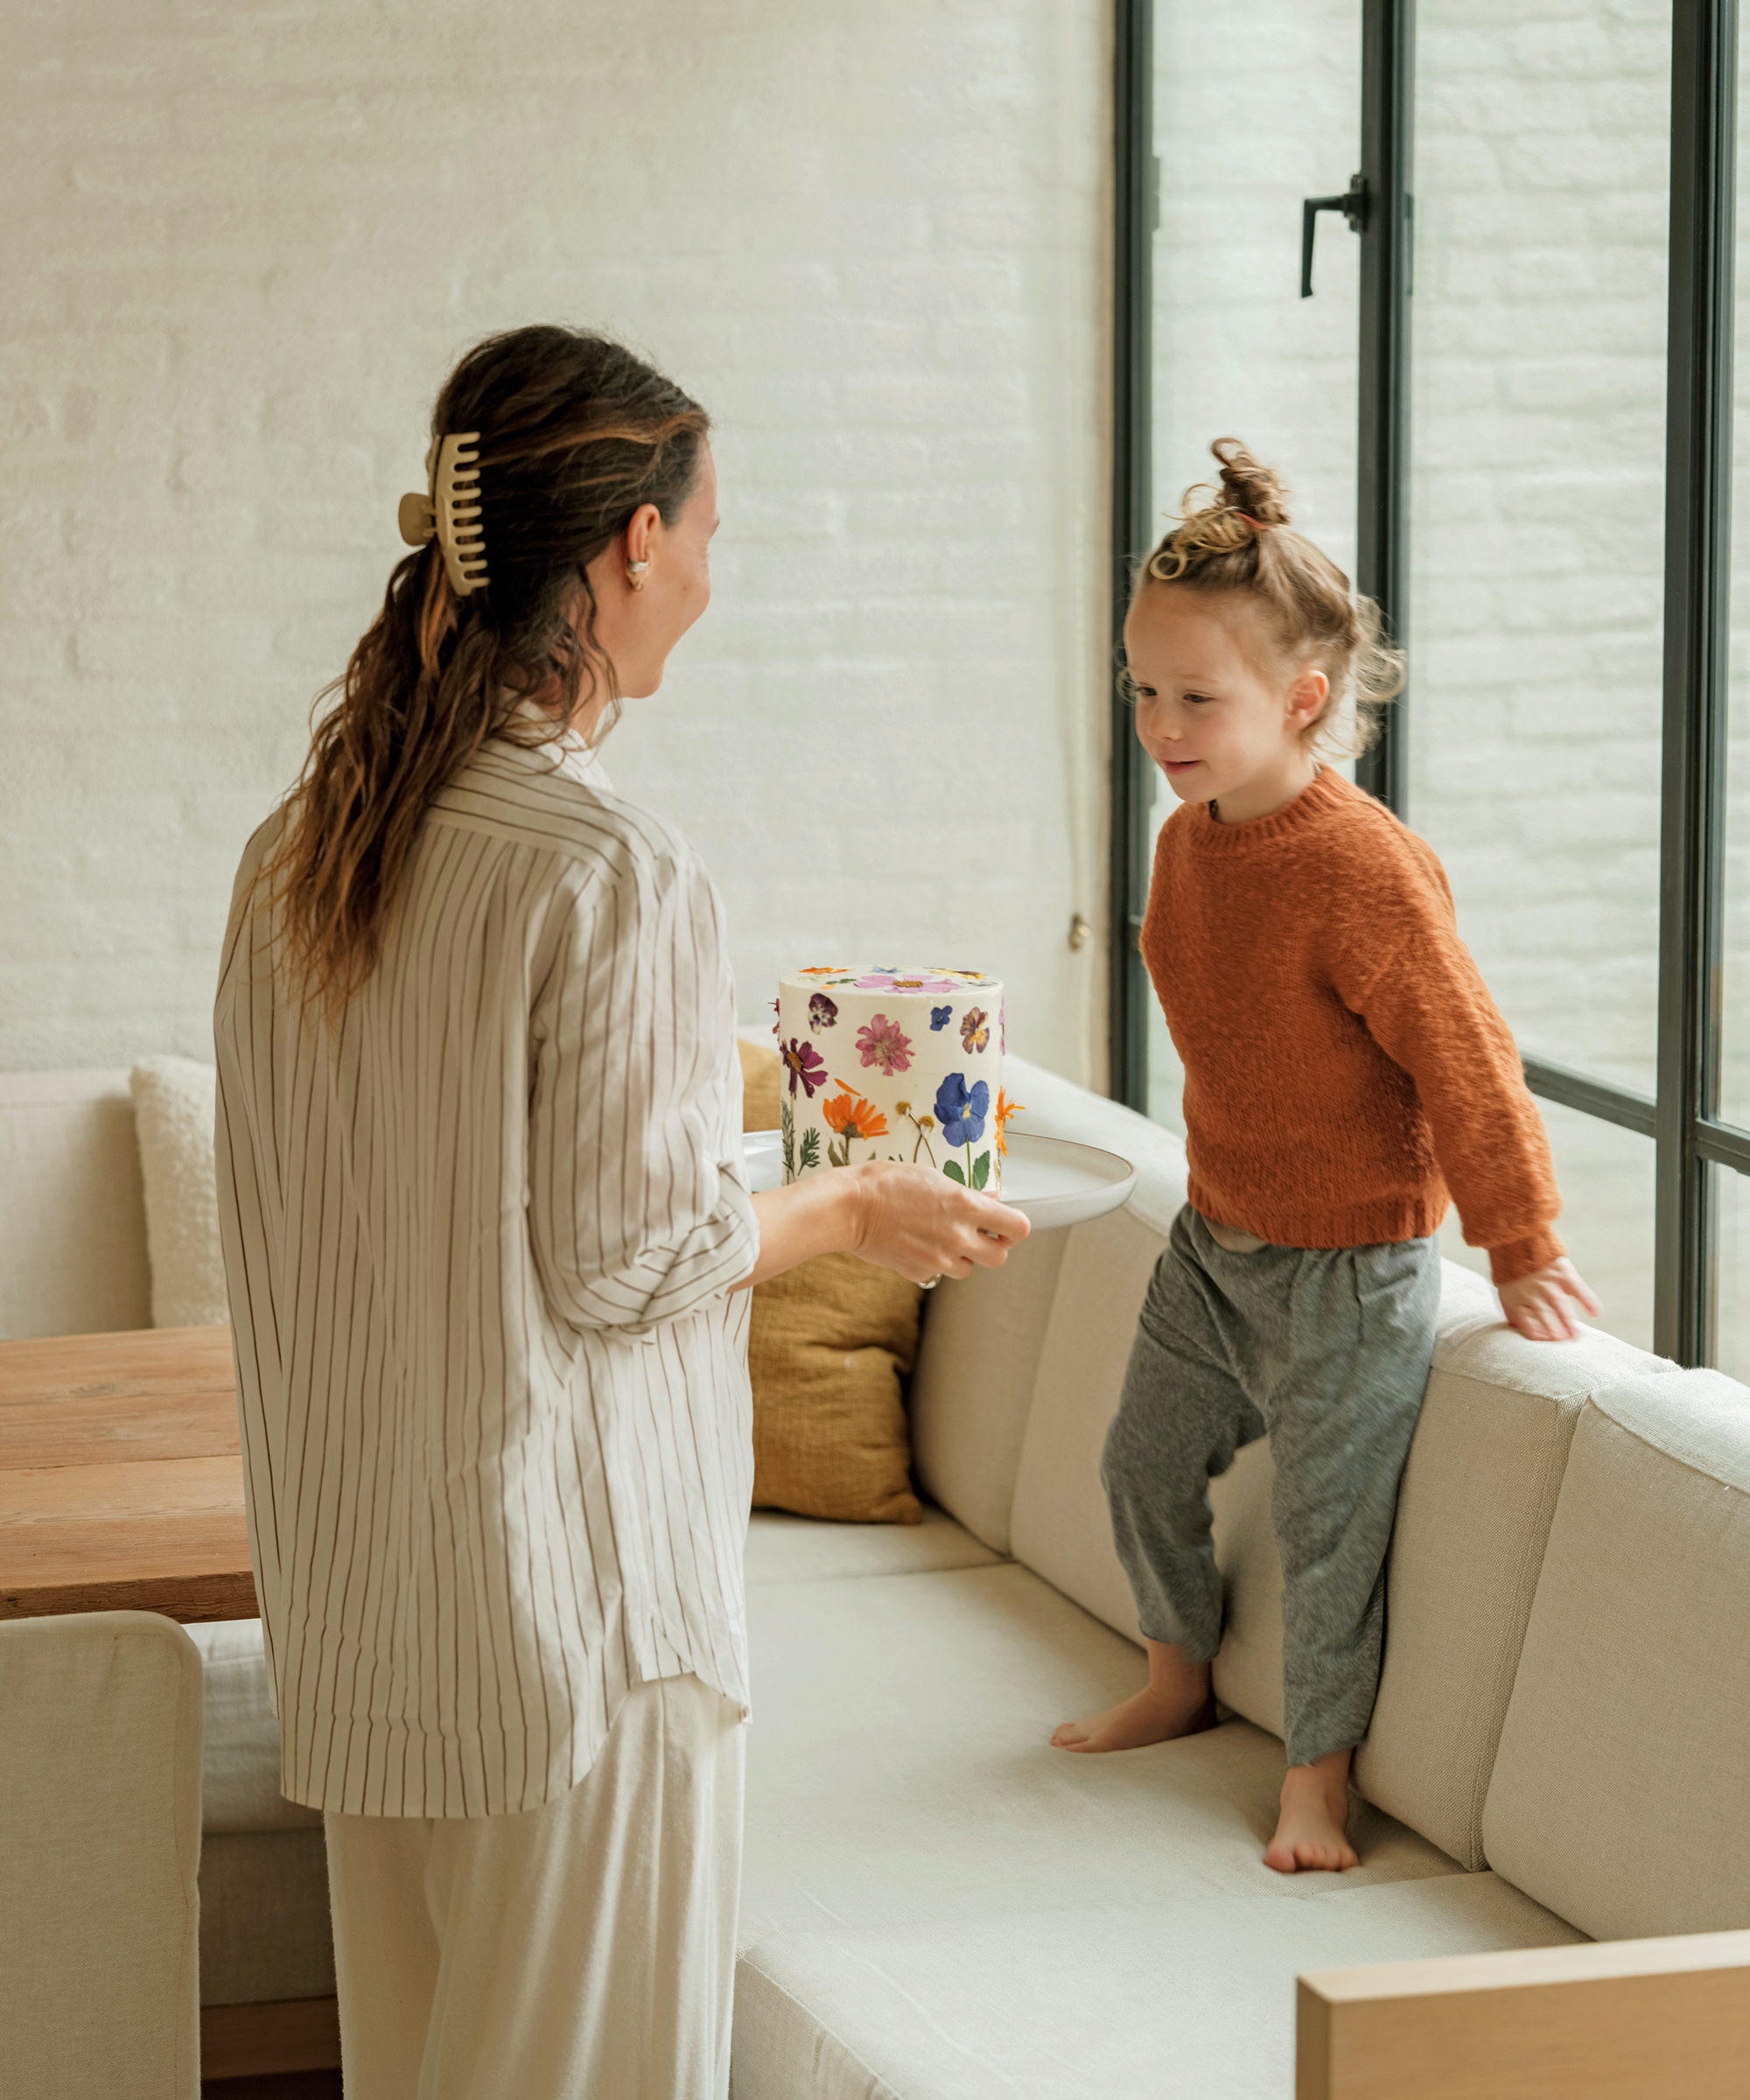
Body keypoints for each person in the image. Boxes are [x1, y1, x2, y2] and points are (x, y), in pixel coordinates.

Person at [213, 325, 1027, 2098]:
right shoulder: (609, 869)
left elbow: (431, 1212)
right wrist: (843, 1208)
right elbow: (622, 1261)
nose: (711, 586)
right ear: (630, 548)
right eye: (708, 538)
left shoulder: (299, 852)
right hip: (576, 1642)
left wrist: (774, 1176)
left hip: (371, 1625)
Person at [1050, 438, 1599, 1873]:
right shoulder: (1187, 843)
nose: (1160, 724)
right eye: (1144, 691)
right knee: (1135, 1465)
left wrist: (1522, 1240)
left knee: (1327, 1534)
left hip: (1351, 1272)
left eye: (1196, 697)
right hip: (1215, 1240)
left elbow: (1467, 1057)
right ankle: (1177, 1676)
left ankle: (1317, 1780)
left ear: (1303, 698)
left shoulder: (1363, 870)